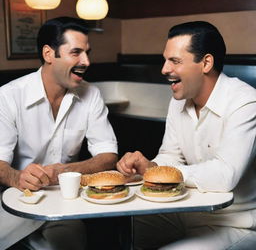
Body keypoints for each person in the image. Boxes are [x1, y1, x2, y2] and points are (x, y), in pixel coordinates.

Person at [117, 21, 256, 249]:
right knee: (130, 221)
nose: (164, 69)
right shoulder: (178, 101)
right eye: (165, 59)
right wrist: (148, 165)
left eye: (175, 61)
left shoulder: (245, 102)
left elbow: (224, 176)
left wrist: (158, 172)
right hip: (186, 212)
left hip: (234, 223)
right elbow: (170, 156)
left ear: (206, 63)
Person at [0, 16, 118, 250]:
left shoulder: (92, 94)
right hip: (15, 201)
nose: (86, 61)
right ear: (48, 54)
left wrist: (64, 171)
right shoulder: (8, 96)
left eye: (87, 52)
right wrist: (18, 177)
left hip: (65, 203)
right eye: (76, 52)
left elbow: (108, 156)